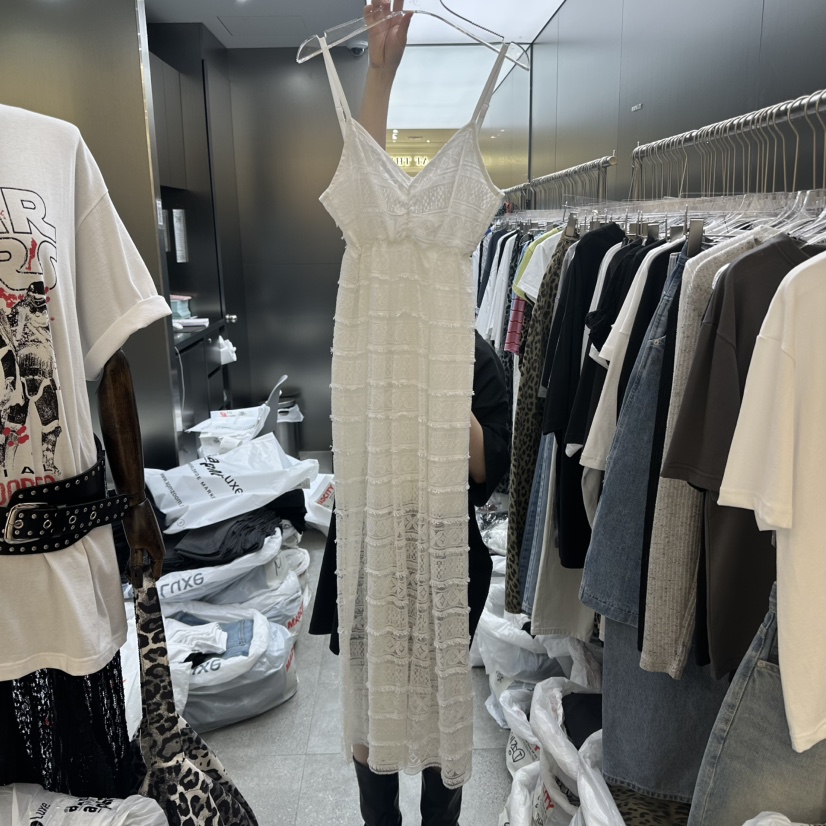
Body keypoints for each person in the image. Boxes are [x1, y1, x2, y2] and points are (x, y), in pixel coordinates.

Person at [308, 2, 511, 824]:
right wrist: (379, 75)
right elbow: (366, 177)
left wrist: (441, 385)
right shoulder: (369, 319)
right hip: (367, 539)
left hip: (444, 545)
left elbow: (489, 467)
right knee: (370, 723)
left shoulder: (482, 360)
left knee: (438, 726)